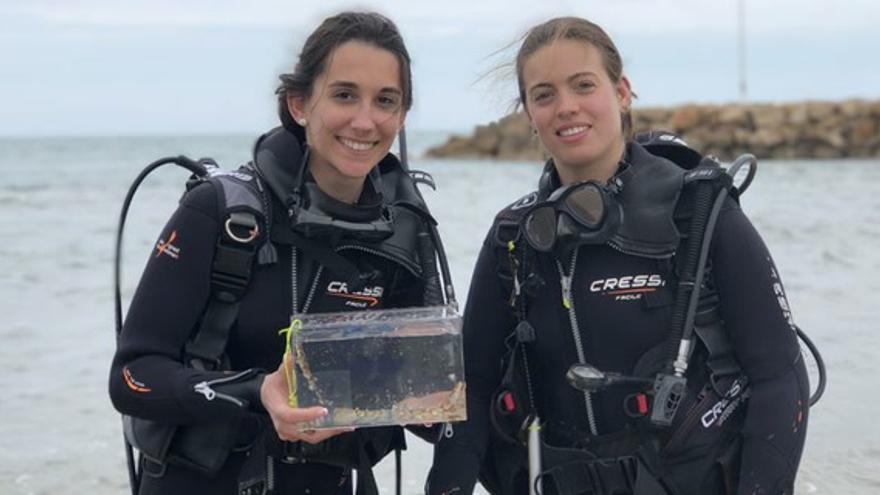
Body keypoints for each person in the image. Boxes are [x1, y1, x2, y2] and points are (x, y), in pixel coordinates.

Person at [427, 17, 809, 495]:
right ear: (528, 113)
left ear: (622, 91)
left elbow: (779, 375)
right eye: (544, 95)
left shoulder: (700, 214)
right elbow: (473, 387)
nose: (566, 107)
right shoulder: (515, 237)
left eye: (583, 85)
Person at [110, 12, 442, 495]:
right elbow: (130, 377)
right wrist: (255, 391)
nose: (365, 120)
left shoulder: (403, 233)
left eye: (385, 100)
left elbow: (429, 396)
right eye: (344, 94)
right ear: (300, 103)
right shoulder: (223, 213)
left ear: (402, 115)